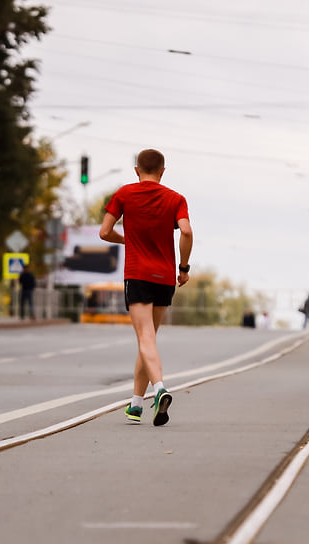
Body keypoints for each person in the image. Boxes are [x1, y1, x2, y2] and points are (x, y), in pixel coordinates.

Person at [100, 148, 192, 427]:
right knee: (148, 338)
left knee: (145, 339)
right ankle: (136, 404)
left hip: (138, 275)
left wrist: (126, 241)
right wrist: (184, 269)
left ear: (136, 170)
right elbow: (186, 231)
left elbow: (104, 231)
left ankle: (160, 388)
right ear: (163, 171)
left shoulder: (124, 195)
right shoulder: (176, 199)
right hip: (164, 277)